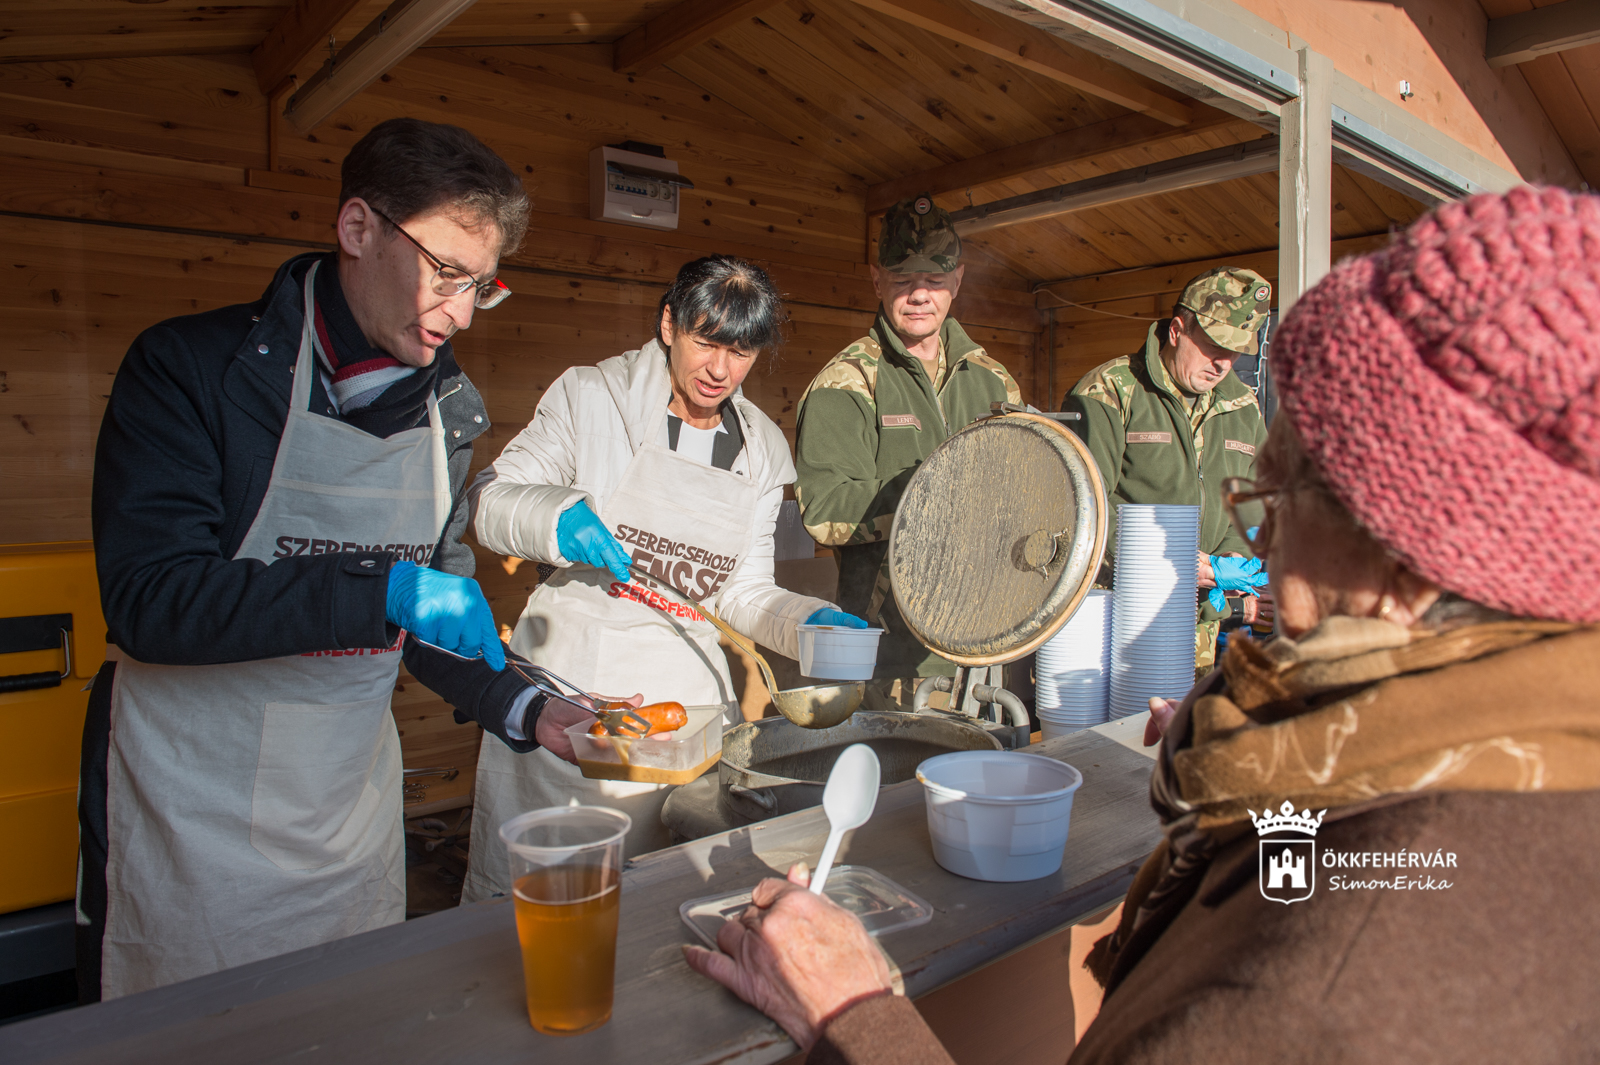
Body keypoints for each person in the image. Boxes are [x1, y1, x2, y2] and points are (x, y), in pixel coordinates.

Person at [682, 185, 1600, 1061]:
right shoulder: (1426, 791)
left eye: (1282, 490)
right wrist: (1237, 788)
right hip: (891, 634)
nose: (1258, 526)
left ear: (1409, 551)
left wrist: (855, 1018)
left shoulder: (1325, 988)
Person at [78, 119, 598, 1002]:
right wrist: (380, 588)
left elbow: (430, 611)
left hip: (344, 819)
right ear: (358, 229)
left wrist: (520, 702)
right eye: (446, 274)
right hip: (189, 815)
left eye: (483, 285)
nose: (463, 313)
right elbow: (150, 599)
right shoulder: (192, 370)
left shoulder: (452, 412)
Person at [461, 255, 867, 882]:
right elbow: (490, 501)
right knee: (553, 898)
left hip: (688, 710)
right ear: (669, 323)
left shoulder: (761, 447)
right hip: (577, 695)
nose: (720, 370)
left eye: (741, 352)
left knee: (664, 902)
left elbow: (742, 592)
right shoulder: (591, 397)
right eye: (706, 342)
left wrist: (808, 620)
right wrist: (557, 516)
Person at [794, 196, 1020, 709]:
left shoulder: (994, 380)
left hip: (984, 648)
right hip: (887, 658)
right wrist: (929, 490)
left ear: (957, 281)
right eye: (902, 279)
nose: (920, 294)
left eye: (935, 280)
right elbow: (825, 512)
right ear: (876, 281)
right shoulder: (848, 381)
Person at [1063, 268, 1272, 670]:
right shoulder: (1109, 391)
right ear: (1177, 330)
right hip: (1121, 620)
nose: (1223, 364)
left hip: (1204, 626)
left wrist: (1229, 560)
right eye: (1213, 346)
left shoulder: (1243, 406)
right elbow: (1081, 505)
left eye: (1235, 352)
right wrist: (1162, 562)